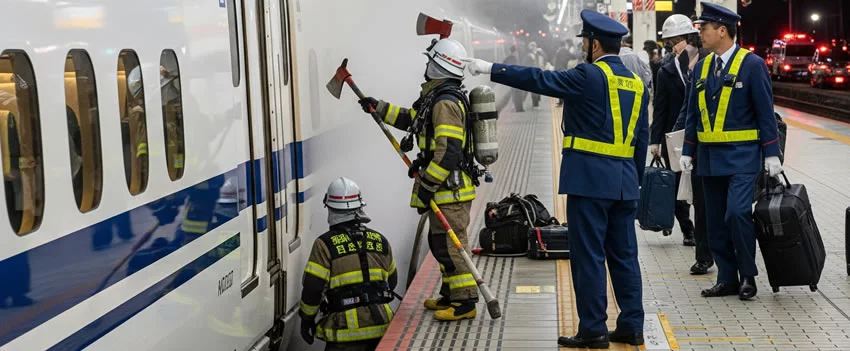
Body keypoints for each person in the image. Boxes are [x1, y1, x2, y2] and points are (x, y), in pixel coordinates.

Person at [465, 9, 648, 348]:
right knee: (624, 256)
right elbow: (641, 139)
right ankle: (632, 326)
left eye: (584, 41)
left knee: (589, 255)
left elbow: (539, 79)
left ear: (594, 44)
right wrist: (634, 183)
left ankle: (593, 330)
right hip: (625, 184)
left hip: (590, 184)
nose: (582, 46)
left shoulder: (588, 76)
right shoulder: (636, 84)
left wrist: (490, 68)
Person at [357, 38, 479, 321]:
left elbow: (448, 152)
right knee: (440, 244)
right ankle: (451, 294)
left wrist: (426, 187)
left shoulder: (445, 103)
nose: (426, 66)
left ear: (439, 66)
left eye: (429, 62)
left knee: (451, 245)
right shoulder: (433, 99)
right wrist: (379, 107)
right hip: (445, 190)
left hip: (451, 191)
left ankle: (465, 303)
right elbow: (410, 120)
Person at [679, 2, 782, 301]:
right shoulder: (701, 66)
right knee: (713, 222)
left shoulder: (752, 65)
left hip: (742, 157)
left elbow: (765, 112)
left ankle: (747, 275)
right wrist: (687, 150)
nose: (700, 34)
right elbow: (692, 114)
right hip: (709, 159)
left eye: (704, 29)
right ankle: (727, 278)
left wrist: (772, 153)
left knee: (737, 214)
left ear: (722, 30)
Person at [299, 177, 398, 350]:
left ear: (329, 207)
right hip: (382, 326)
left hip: (344, 333)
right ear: (360, 207)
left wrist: (307, 318)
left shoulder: (324, 244)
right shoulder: (380, 240)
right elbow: (393, 281)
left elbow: (313, 288)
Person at [669, 23, 716, 276]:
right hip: (700, 152)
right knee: (701, 205)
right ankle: (704, 257)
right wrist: (678, 142)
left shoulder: (742, 64)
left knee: (732, 211)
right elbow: (688, 111)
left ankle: (732, 260)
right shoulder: (697, 67)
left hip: (733, 155)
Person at [650, 14, 699, 246]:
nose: (677, 45)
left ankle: (706, 230)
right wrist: (655, 141)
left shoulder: (705, 62)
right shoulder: (665, 71)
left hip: (700, 136)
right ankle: (688, 230)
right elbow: (659, 108)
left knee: (699, 185)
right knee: (678, 183)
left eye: (681, 40)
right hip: (674, 137)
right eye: (672, 42)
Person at [503, 45, 525, 112]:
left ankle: (518, 108)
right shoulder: (513, 58)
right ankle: (519, 108)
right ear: (515, 51)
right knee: (517, 94)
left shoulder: (508, 58)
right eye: (516, 51)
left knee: (516, 93)